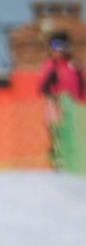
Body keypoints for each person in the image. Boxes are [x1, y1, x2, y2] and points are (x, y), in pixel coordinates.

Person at [37, 33, 85, 167]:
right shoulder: (50, 65)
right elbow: (42, 86)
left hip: (75, 106)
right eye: (54, 47)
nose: (57, 51)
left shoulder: (73, 66)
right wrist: (53, 97)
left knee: (76, 133)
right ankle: (58, 159)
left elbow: (81, 85)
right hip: (56, 105)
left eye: (61, 47)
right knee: (57, 132)